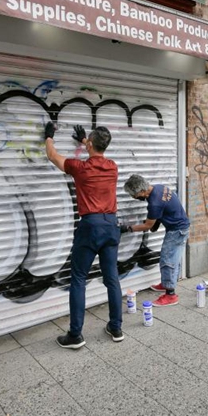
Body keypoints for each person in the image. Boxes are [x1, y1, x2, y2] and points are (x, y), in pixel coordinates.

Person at [44, 121, 123, 348]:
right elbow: (96, 150)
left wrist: (49, 136)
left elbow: (52, 156)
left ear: (91, 145)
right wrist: (84, 141)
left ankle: (75, 335)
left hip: (90, 226)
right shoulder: (112, 167)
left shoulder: (80, 168)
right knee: (112, 279)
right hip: (111, 225)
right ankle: (116, 328)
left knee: (78, 278)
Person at [121, 174, 190, 307]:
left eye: (134, 195)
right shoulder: (159, 188)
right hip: (180, 227)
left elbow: (148, 225)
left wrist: (127, 228)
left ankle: (170, 295)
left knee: (167, 260)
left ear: (141, 192)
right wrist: (153, 224)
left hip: (176, 230)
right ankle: (167, 284)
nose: (134, 198)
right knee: (173, 258)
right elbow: (158, 216)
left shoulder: (154, 203)